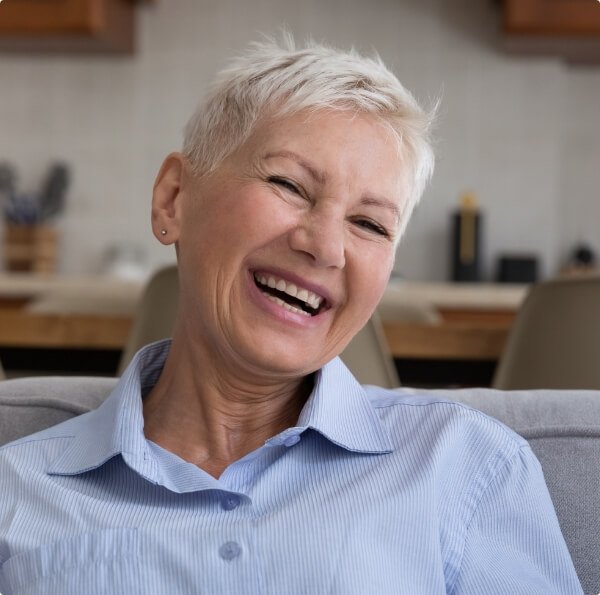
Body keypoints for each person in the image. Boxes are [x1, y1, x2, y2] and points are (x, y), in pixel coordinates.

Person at [0, 35, 582, 594]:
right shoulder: (18, 492)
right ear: (174, 198)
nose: (326, 246)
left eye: (370, 224)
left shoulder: (466, 465)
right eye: (289, 185)